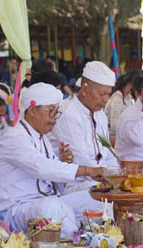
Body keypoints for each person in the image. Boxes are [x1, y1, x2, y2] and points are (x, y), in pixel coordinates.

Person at [0, 83, 108, 239]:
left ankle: (99, 236)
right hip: (15, 209)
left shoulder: (41, 137)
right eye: (51, 112)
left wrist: (63, 163)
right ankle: (77, 242)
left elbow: (54, 183)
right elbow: (40, 167)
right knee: (52, 208)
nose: (55, 118)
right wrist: (87, 170)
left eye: (56, 112)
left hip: (46, 203)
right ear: (32, 110)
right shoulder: (14, 136)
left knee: (98, 199)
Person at [50, 61, 120, 193]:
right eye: (101, 94)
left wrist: (118, 175)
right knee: (115, 200)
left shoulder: (100, 115)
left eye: (108, 94)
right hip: (74, 185)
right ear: (85, 89)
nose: (105, 100)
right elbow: (79, 157)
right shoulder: (68, 113)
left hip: (100, 181)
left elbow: (107, 153)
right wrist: (108, 177)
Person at [105, 72, 134, 140]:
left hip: (122, 133)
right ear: (129, 84)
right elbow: (114, 125)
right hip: (112, 135)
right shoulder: (117, 97)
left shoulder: (129, 97)